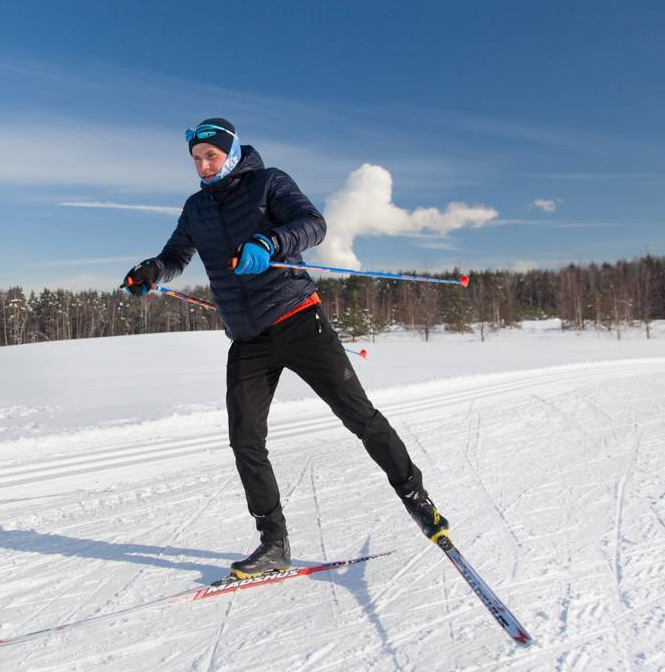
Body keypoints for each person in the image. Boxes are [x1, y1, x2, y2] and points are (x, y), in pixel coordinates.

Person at [123, 118, 448, 579]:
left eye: (210, 156)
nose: (203, 166)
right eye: (196, 160)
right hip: (248, 337)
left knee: (359, 416)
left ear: (230, 153)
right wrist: (151, 271)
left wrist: (268, 240)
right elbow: (176, 255)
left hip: (296, 317)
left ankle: (419, 501)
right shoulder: (195, 207)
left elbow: (313, 224)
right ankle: (273, 543)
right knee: (245, 439)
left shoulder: (269, 182)